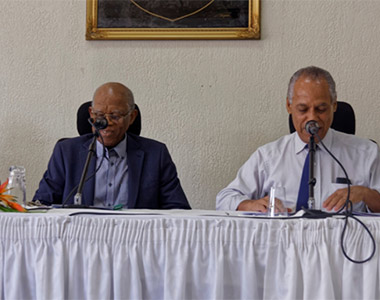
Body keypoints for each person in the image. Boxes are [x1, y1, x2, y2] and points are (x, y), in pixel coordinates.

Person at [216, 66, 380, 213]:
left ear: (334, 105)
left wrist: (366, 194)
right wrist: (250, 205)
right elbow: (224, 199)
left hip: (343, 245)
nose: (312, 118)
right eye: (303, 109)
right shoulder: (268, 156)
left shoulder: (367, 153)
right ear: (289, 106)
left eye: (321, 109)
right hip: (282, 245)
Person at [33, 82, 191, 209]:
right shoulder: (66, 152)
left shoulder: (156, 154)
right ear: (91, 114)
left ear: (132, 116)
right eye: (99, 115)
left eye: (115, 116)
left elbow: (178, 210)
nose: (106, 123)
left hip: (136, 242)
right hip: (80, 242)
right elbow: (42, 204)